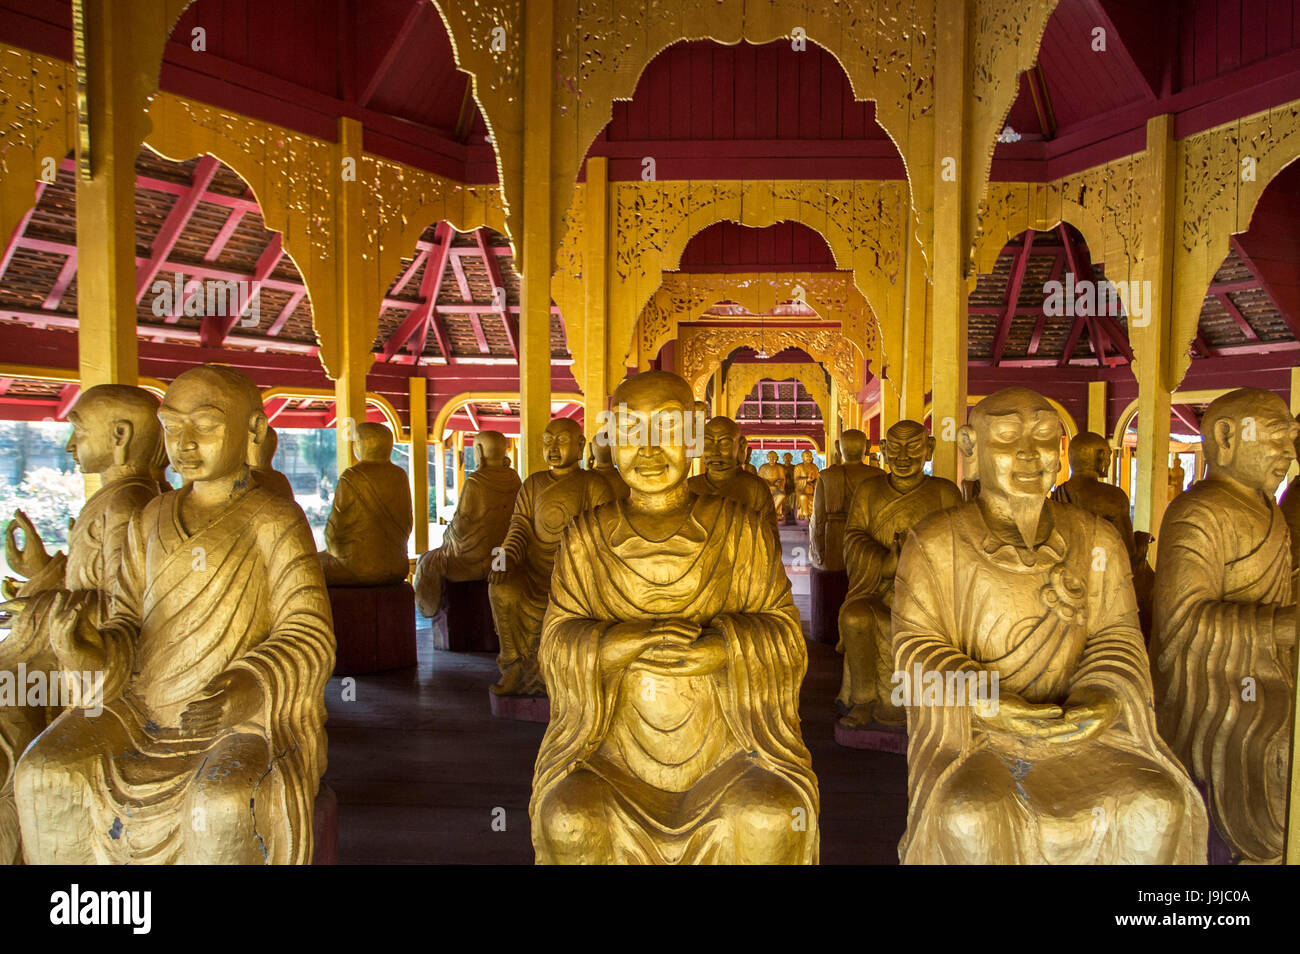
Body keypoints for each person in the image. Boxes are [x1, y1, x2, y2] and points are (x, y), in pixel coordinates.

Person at [16, 365, 334, 864]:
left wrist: (245, 686)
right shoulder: (150, 517)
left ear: (252, 430)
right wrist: (93, 649)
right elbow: (126, 621)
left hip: (237, 718)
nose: (184, 444)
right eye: (172, 427)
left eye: (204, 426)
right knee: (45, 771)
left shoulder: (275, 518)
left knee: (222, 804)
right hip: (142, 708)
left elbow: (308, 632)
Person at [893, 387, 1204, 864]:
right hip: (983, 739)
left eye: (1043, 435)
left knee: (1156, 802)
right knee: (970, 814)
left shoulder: (1098, 538)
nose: (1028, 453)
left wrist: (1101, 696)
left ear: (1059, 453)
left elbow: (1117, 636)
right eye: (1006, 437)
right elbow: (914, 652)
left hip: (1082, 734)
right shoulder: (936, 542)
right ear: (971, 451)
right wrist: (984, 698)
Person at [530, 371, 818, 864]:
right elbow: (555, 644)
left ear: (695, 434)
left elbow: (786, 635)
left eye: (666, 429)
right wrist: (622, 643)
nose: (647, 450)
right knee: (569, 818)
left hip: (726, 751)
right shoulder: (585, 538)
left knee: (769, 815)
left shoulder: (739, 530)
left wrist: (722, 647)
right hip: (612, 756)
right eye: (630, 431)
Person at [1151, 388, 1298, 864]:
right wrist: (1281, 628)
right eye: (1277, 438)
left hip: (1269, 670)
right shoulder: (1198, 513)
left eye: (1293, 439)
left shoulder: (1272, 511)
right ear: (1226, 437)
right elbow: (1182, 624)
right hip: (1219, 689)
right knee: (1278, 752)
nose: (1289, 454)